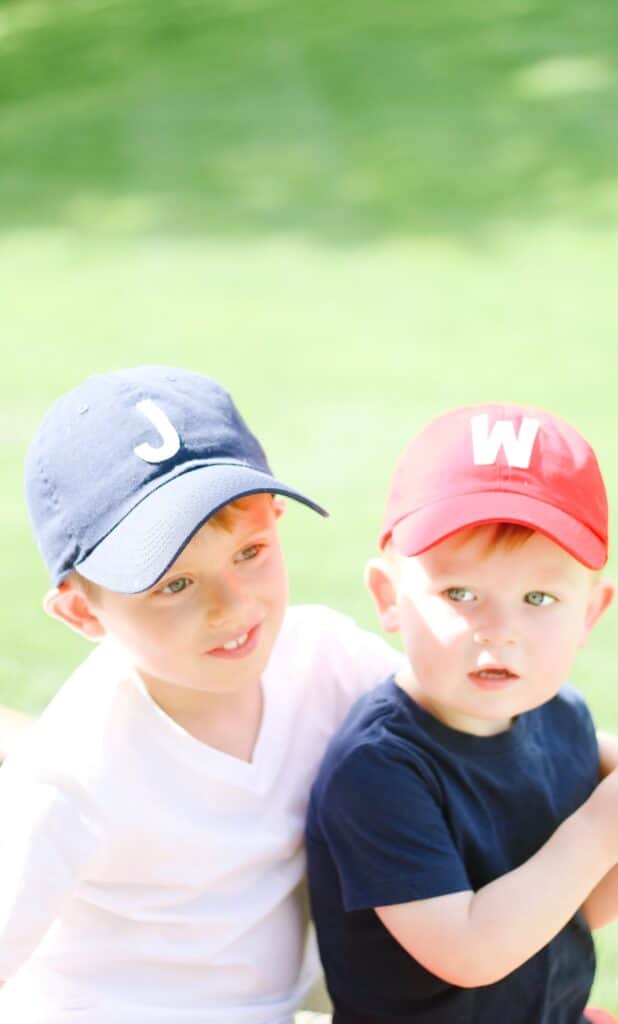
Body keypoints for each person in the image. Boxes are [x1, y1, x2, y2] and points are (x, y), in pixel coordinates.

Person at [0, 366, 402, 1024]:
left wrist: (611, 764)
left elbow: (464, 725)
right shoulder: (68, 777)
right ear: (82, 613)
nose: (232, 606)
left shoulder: (324, 658)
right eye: (173, 584)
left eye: (249, 552)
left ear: (276, 518)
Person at [305, 403, 618, 1024]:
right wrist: (600, 834)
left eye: (539, 597)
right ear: (388, 598)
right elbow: (472, 950)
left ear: (590, 613)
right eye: (460, 594)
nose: (500, 631)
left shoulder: (562, 719)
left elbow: (568, 913)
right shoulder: (379, 769)